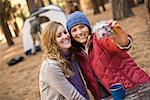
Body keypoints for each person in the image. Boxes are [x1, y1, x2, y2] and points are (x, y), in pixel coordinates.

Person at [66, 11, 150, 99]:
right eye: (74, 30)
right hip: (110, 95)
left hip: (134, 87)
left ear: (88, 27)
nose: (79, 32)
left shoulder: (99, 38)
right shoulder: (78, 54)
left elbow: (121, 44)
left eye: (82, 27)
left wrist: (122, 38)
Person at [39, 21, 89, 100]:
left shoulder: (71, 56)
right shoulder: (50, 66)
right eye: (59, 36)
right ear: (52, 42)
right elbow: (73, 96)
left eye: (65, 32)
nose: (65, 36)